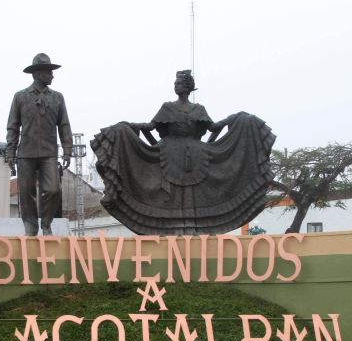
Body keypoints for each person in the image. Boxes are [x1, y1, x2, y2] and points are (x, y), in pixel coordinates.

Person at [91, 70, 274, 235]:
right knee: (171, 193)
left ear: (187, 87)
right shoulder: (167, 107)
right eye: (175, 83)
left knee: (195, 191)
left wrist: (237, 119)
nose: (175, 85)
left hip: (197, 156)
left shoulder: (198, 109)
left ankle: (195, 226)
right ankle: (171, 225)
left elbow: (213, 127)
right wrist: (126, 127)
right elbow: (150, 127)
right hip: (169, 154)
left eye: (178, 83)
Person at [6, 53, 72, 236]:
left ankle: (46, 224)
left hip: (49, 152)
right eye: (49, 71)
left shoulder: (58, 98)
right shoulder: (20, 97)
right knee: (26, 192)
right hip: (25, 152)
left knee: (53, 189)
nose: (52, 75)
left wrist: (67, 150)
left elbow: (64, 125)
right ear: (37, 74)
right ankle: (30, 225)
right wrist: (10, 152)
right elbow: (12, 127)